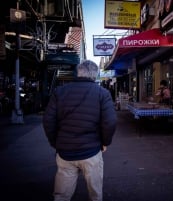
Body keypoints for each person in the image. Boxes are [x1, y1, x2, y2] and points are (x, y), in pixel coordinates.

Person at [42, 60, 117, 201]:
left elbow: (48, 120)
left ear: (78, 72)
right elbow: (110, 121)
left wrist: (56, 143)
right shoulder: (102, 93)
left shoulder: (60, 92)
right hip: (92, 151)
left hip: (65, 152)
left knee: (62, 195)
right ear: (95, 75)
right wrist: (105, 142)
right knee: (95, 194)